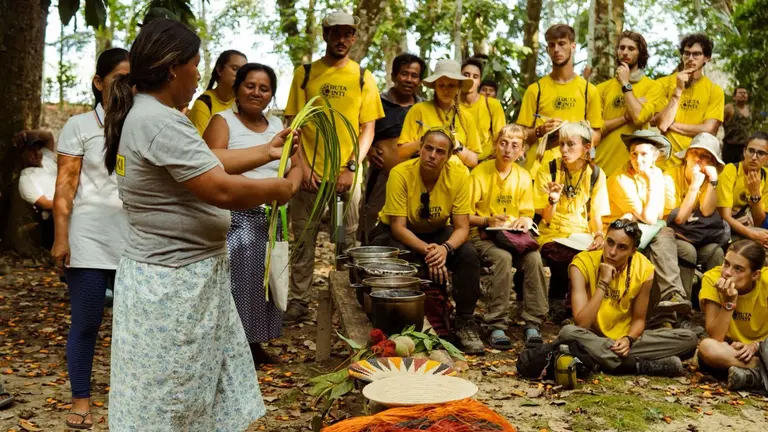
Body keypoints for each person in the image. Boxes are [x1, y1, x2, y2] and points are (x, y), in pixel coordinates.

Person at [103, 20, 296, 430]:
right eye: (195, 64)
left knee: (189, 389)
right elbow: (220, 190)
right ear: (174, 68)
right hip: (175, 285)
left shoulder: (150, 114)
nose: (199, 76)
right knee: (174, 394)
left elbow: (204, 163)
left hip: (179, 276)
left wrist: (266, 151)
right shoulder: (161, 121)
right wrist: (281, 187)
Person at [283, 11, 385, 323]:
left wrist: (351, 167)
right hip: (308, 176)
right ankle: (298, 301)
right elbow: (292, 122)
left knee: (344, 239)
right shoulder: (305, 73)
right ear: (325, 35)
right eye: (335, 33)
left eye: (347, 34)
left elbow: (367, 128)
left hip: (345, 181)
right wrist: (301, 166)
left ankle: (344, 299)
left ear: (354, 38)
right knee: (303, 238)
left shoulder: (363, 76)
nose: (341, 40)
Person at [49, 47, 129, 429]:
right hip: (89, 242)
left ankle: (132, 398)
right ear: (99, 83)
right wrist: (60, 239)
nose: (123, 88)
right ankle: (81, 400)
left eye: (131, 80)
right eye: (117, 79)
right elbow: (65, 189)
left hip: (137, 245)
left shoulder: (143, 124)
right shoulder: (79, 126)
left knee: (136, 326)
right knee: (86, 323)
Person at [203, 63, 303, 365]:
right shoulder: (222, 122)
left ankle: (254, 343)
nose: (256, 92)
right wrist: (259, 189)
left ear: (271, 94)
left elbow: (296, 166)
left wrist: (287, 188)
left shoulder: (277, 127)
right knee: (238, 282)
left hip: (272, 217)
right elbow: (210, 163)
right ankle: (231, 347)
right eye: (250, 85)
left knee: (266, 282)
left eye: (264, 88)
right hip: (235, 216)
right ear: (236, 88)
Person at [369, 128, 484, 354]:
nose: (432, 155)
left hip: (437, 233)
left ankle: (464, 320)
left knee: (468, 255)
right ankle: (404, 321)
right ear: (420, 148)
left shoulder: (459, 176)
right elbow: (398, 227)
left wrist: (445, 249)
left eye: (440, 152)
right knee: (401, 256)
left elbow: (462, 227)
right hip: (397, 233)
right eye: (428, 148)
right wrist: (430, 252)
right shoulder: (400, 173)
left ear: (449, 156)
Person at [557, 219, 698, 376]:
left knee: (689, 338)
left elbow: (639, 319)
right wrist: (603, 283)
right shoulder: (581, 263)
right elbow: (582, 323)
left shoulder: (644, 268)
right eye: (609, 242)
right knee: (567, 333)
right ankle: (637, 366)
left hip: (624, 342)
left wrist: (628, 340)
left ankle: (602, 359)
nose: (612, 252)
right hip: (592, 337)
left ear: (633, 251)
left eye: (622, 247)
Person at [468, 125, 548, 347]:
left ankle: (533, 322)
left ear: (522, 151)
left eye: (515, 145)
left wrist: (524, 220)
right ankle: (496, 325)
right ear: (495, 145)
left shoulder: (523, 176)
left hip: (511, 236)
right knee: (502, 258)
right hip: (483, 234)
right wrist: (487, 220)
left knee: (534, 258)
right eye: (503, 143)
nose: (508, 149)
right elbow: (463, 215)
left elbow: (526, 213)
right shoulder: (480, 173)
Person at [603, 130, 693, 324]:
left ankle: (676, 311)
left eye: (644, 154)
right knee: (664, 234)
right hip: (619, 232)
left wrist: (654, 182)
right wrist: (653, 183)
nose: (638, 159)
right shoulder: (621, 179)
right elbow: (652, 218)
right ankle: (669, 304)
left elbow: (661, 214)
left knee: (687, 252)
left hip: (647, 233)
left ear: (655, 156)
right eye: (634, 153)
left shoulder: (659, 174)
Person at [534, 121, 609, 322]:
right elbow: (546, 218)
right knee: (565, 254)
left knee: (598, 254)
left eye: (571, 144)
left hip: (581, 233)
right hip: (552, 232)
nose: (564, 150)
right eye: (561, 144)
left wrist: (600, 235)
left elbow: (596, 214)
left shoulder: (595, 174)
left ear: (587, 147)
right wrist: (553, 200)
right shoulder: (548, 169)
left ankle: (585, 308)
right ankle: (562, 303)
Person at [516, 24, 603, 177]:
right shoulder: (535, 89)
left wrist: (570, 133)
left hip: (575, 172)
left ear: (573, 46)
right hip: (539, 171)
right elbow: (519, 134)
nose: (556, 49)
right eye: (551, 45)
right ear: (547, 49)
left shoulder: (589, 90)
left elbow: (596, 135)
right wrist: (540, 130)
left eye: (562, 43)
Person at [360, 53, 426, 243]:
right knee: (371, 218)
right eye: (404, 74)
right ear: (394, 76)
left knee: (411, 222)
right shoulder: (378, 102)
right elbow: (361, 129)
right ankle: (364, 265)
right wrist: (369, 150)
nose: (409, 80)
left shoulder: (423, 108)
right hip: (381, 177)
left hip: (415, 181)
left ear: (420, 80)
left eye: (414, 76)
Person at [664, 133, 726, 311]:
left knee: (716, 252)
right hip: (672, 236)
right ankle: (681, 307)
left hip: (698, 237)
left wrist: (713, 181)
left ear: (713, 162)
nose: (698, 159)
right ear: (687, 155)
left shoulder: (710, 180)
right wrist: (694, 187)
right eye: (694, 153)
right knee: (687, 251)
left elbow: (706, 211)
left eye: (705, 156)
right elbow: (679, 218)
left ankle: (715, 306)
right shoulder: (670, 175)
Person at [698, 240, 768, 390]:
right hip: (733, 351)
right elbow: (716, 337)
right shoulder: (712, 278)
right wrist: (730, 302)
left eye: (738, 269)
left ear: (755, 274)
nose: (727, 272)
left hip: (764, 347)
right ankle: (759, 371)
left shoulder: (766, 282)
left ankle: (755, 376)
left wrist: (756, 346)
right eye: (726, 263)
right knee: (707, 347)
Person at [595, 31, 665, 178]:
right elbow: (596, 129)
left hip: (635, 169)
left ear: (641, 53)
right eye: (622, 48)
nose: (625, 52)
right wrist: (626, 117)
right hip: (603, 168)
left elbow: (639, 117)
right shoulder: (602, 88)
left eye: (631, 49)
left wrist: (625, 83)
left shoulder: (653, 87)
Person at [397, 59, 482, 168]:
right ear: (435, 87)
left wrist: (456, 144)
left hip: (455, 178)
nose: (446, 90)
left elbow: (473, 161)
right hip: (421, 174)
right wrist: (425, 141)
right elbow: (401, 152)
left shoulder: (466, 117)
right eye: (441, 85)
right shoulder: (418, 110)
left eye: (451, 86)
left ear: (458, 87)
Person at [656, 33, 724, 167]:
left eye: (696, 54)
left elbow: (709, 130)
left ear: (707, 58)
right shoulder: (663, 83)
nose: (690, 58)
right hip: (665, 163)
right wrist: (678, 91)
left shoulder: (715, 91)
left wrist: (672, 125)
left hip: (697, 163)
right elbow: (662, 124)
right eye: (686, 54)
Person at [717, 132, 768, 247]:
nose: (754, 157)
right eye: (751, 151)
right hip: (727, 229)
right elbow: (725, 217)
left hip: (751, 226)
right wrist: (753, 235)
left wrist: (755, 194)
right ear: (744, 152)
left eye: (761, 153)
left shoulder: (766, 176)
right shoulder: (730, 171)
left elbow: (759, 221)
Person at [188, 49, 247, 135]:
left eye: (244, 72)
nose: (240, 75)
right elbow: (203, 146)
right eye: (235, 69)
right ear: (219, 70)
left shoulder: (243, 103)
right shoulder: (204, 104)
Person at [15, 130, 57, 244]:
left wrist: (27, 133)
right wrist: (74, 203)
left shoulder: (47, 159)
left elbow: (48, 136)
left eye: (38, 149)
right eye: (31, 151)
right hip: (55, 218)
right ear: (22, 154)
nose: (37, 153)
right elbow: (46, 204)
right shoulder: (26, 179)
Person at [461, 57, 506, 161]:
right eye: (466, 75)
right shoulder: (452, 105)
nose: (470, 79)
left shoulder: (492, 105)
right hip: (457, 162)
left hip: (485, 162)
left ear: (479, 81)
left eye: (475, 76)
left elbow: (501, 137)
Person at [722, 88, 752, 164]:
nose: (743, 94)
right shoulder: (729, 108)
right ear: (734, 97)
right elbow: (718, 122)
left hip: (744, 147)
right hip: (730, 147)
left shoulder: (750, 109)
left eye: (745, 93)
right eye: (740, 93)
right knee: (728, 170)